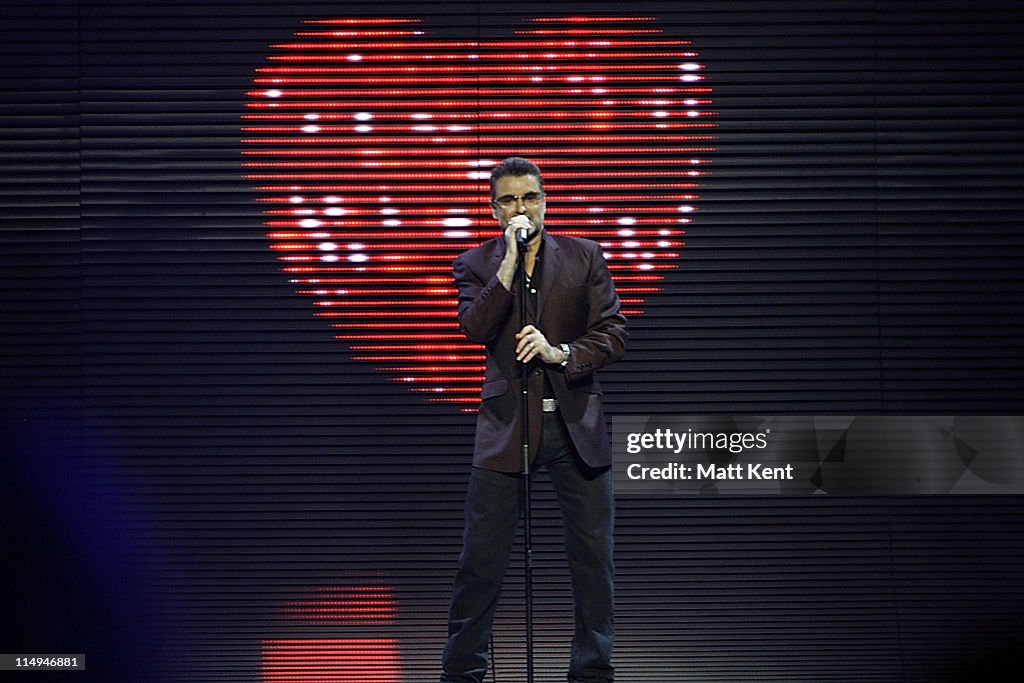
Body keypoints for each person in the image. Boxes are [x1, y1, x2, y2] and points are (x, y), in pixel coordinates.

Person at [440, 157, 628, 683]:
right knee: (479, 564)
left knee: (594, 564)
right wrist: (505, 266)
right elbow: (474, 327)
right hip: (506, 428)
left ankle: (592, 673)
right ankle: (462, 673)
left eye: (530, 198)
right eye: (509, 200)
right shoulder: (475, 263)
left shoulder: (584, 256)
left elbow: (614, 333)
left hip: (575, 428)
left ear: (545, 199)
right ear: (494, 207)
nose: (521, 208)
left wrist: (559, 351)